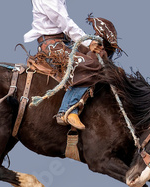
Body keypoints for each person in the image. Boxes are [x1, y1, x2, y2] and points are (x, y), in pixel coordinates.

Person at [24, 0, 105, 130]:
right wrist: (89, 42)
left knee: (101, 54)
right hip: (52, 45)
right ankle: (67, 110)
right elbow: (64, 21)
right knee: (90, 65)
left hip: (62, 41)